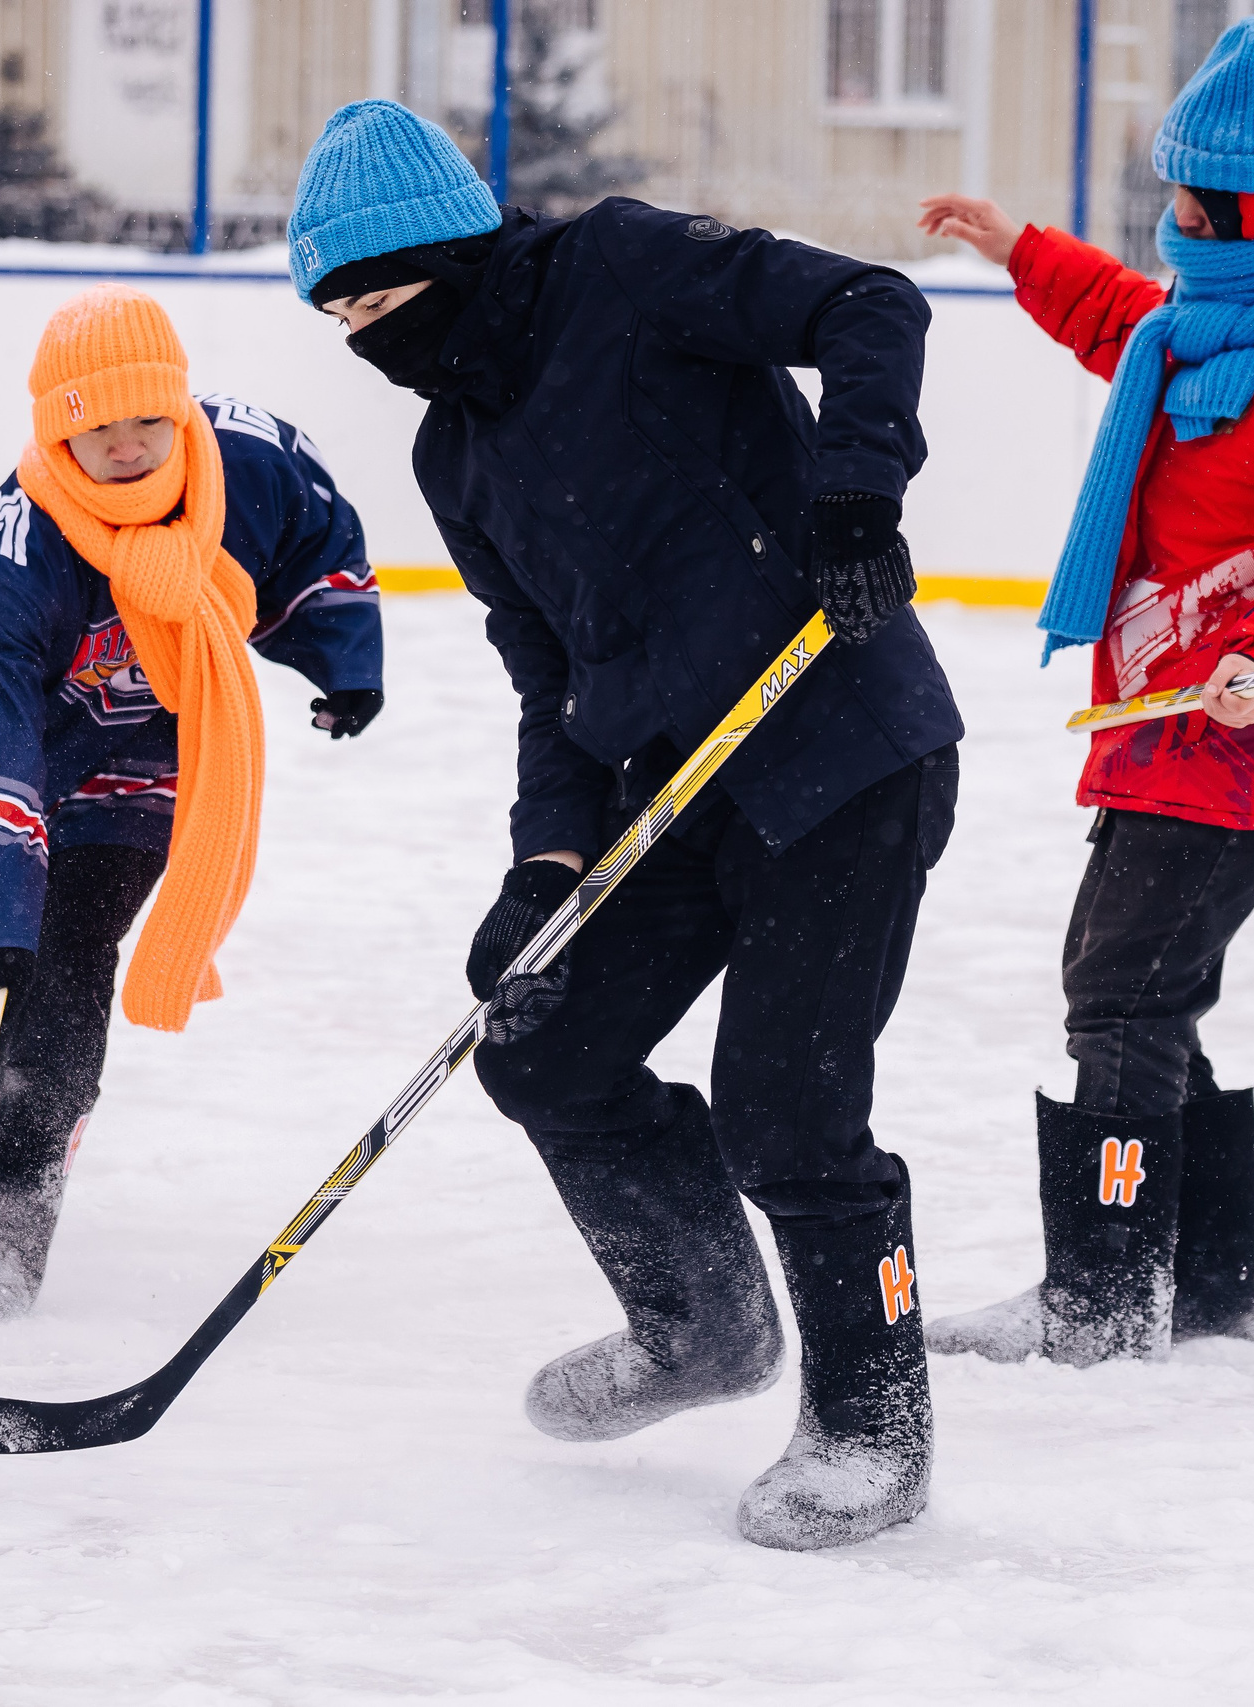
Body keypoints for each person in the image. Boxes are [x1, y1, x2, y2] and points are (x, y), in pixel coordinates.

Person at [289, 101, 963, 1552]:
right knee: (546, 1047)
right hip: (674, 786)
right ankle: (704, 1323)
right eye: (338, 317)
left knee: (791, 1110)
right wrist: (542, 860)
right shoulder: (452, 454)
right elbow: (547, 670)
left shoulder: (627, 269)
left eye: (382, 300)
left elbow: (870, 305)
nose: (367, 338)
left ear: (454, 258)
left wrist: (856, 495)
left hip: (842, 747)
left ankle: (871, 1424)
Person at [915, 19, 1254, 1365]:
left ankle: (1100, 1291)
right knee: (1150, 986)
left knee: (1121, 992)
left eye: (1196, 205)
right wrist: (1022, 253)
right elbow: (1130, 327)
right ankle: (1207, 1282)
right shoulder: (1231, 313)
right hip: (1174, 721)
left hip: (1253, 739)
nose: (1175, 225)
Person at [0, 283, 383, 1320]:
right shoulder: (17, 545)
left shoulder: (249, 462)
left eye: (151, 417)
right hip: (4, 766)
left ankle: (10, 1206)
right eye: (99, 427)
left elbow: (324, 539)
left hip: (145, 766)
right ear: (59, 430)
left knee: (65, 977)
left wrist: (344, 658)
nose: (131, 444)